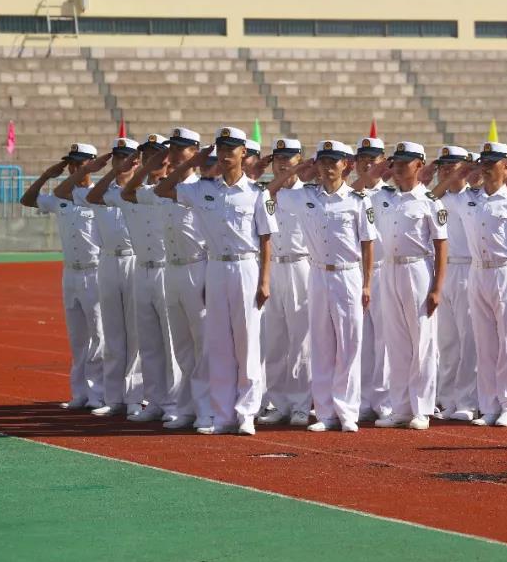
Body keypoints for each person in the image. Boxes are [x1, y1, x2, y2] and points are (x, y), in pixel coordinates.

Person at [155, 127, 276, 436]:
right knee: (219, 343)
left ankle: (247, 412)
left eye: (231, 149)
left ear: (244, 154)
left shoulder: (257, 193)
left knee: (247, 341)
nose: (224, 154)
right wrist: (191, 162)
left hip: (245, 267)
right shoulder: (202, 188)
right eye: (220, 148)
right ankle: (222, 414)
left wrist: (265, 281)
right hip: (214, 268)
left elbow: (266, 240)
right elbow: (163, 189)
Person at [268, 140, 376, 433]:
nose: (328, 168)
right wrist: (298, 170)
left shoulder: (358, 200)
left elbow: (368, 244)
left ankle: (347, 411)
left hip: (348, 275)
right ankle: (325, 412)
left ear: (346, 165)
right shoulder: (304, 196)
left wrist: (367, 284)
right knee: (321, 344)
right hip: (317, 274)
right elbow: (269, 194)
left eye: (334, 162)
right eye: (323, 162)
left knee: (350, 343)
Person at [55, 139, 142, 418]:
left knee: (136, 336)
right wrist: (98, 168)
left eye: (127, 158)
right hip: (108, 262)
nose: (122, 163)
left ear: (138, 161)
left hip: (133, 260)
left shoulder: (143, 191)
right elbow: (61, 191)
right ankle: (113, 397)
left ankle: (136, 397)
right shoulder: (103, 191)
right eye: (117, 158)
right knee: (113, 333)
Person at [20, 143, 106, 410]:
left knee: (99, 336)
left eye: (80, 163)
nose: (74, 168)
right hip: (71, 273)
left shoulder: (97, 195)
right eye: (72, 163)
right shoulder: (60, 198)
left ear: (92, 165)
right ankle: (79, 393)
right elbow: (27, 199)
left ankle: (99, 394)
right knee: (78, 337)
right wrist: (47, 175)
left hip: (95, 272)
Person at [370, 142, 448, 431]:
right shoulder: (382, 197)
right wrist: (380, 168)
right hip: (389, 269)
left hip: (417, 269)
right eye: (396, 162)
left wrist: (437, 288)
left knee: (422, 342)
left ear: (420, 165)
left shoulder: (430, 201)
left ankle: (422, 407)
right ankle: (400, 407)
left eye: (406, 162)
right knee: (396, 341)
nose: (399, 167)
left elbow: (441, 247)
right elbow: (357, 187)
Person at [136, 127, 209, 430]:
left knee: (202, 343)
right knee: (180, 344)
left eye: (183, 148)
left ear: (196, 151)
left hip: (198, 267)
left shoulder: (205, 188)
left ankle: (207, 408)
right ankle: (186, 407)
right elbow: (133, 193)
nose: (176, 153)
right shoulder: (166, 189)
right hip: (172, 269)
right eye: (174, 148)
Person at [460, 142, 507, 427]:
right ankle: (489, 405)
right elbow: (437, 192)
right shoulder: (469, 199)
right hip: (477, 272)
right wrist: (466, 173)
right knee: (485, 342)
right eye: (484, 161)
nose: (487, 166)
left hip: (505, 272)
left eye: (494, 161)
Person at [115, 135, 177, 424]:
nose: (156, 159)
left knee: (172, 342)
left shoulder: (176, 189)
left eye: (160, 154)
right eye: (150, 154)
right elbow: (126, 190)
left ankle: (176, 402)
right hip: (142, 269)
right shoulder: (136, 191)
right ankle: (154, 400)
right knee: (149, 341)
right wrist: (143, 167)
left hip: (168, 269)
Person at [257, 138, 313, 427]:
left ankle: (301, 403)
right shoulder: (266, 194)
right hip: (274, 267)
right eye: (278, 157)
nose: (283, 162)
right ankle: (278, 402)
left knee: (301, 340)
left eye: (289, 157)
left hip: (301, 266)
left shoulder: (309, 194)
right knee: (275, 341)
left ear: (299, 159)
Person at [426, 145, 480, 421]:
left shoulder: (475, 197)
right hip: (444, 271)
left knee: (469, 340)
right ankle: (447, 398)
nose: (447, 170)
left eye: (453, 165)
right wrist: (442, 177)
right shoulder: (437, 198)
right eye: (444, 166)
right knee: (448, 341)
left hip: (470, 269)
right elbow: (424, 196)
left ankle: (468, 401)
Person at [351, 137, 393, 420]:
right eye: (363, 158)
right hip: (352, 271)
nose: (368, 163)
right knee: (359, 339)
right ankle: (363, 399)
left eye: (374, 159)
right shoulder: (350, 194)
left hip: (382, 270)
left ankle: (384, 400)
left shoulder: (390, 194)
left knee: (384, 340)